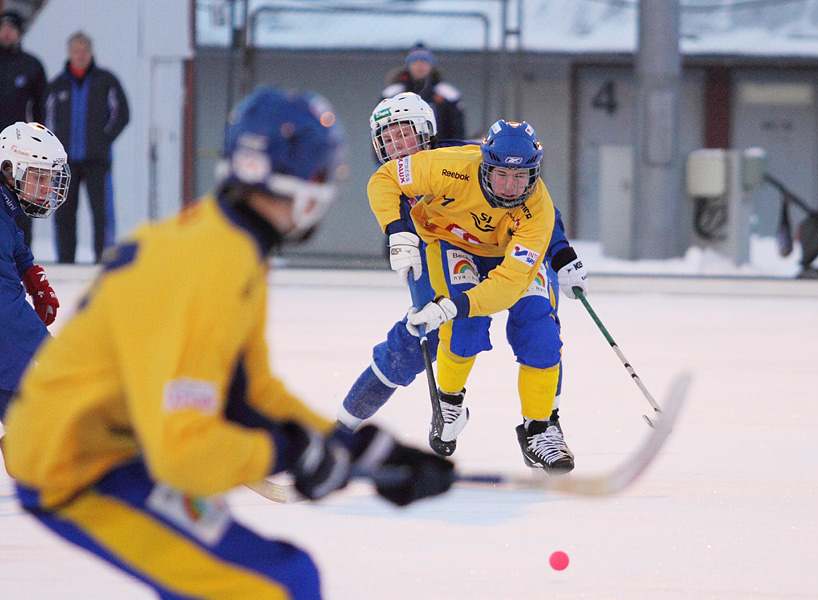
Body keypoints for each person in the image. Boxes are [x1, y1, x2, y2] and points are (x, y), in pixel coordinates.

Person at [1, 87, 454, 600]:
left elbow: (252, 390)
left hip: (118, 441)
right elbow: (184, 452)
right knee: (278, 582)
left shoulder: (227, 239)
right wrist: (286, 451)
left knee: (268, 575)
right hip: (77, 463)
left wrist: (356, 445)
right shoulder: (216, 266)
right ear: (303, 183)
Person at [339, 94, 588, 472]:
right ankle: (349, 425)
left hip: (509, 251)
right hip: (446, 245)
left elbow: (538, 215)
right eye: (388, 141)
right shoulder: (414, 172)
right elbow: (385, 181)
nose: (398, 148)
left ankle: (542, 425)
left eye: (405, 136)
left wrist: (561, 251)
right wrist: (396, 232)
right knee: (427, 335)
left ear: (427, 133)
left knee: (539, 328)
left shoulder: (456, 162)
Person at [0, 121, 69, 418]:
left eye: (51, 179)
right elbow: (5, 308)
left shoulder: (5, 209)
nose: (48, 189)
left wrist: (30, 273)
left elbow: (12, 241)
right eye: (39, 178)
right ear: (9, 169)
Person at [45, 31, 130, 264]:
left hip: (97, 161)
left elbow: (121, 113)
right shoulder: (57, 84)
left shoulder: (106, 81)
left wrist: (103, 139)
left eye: (85, 51)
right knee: (64, 214)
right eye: (76, 51)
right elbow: (46, 120)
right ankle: (65, 262)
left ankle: (103, 261)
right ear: (69, 54)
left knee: (101, 214)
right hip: (65, 164)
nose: (81, 56)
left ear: (91, 53)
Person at [0, 10, 48, 246]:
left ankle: (21, 255)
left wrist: (38, 144)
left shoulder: (31, 66)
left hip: (18, 149)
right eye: (3, 28)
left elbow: (41, 110)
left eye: (11, 29)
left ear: (19, 33)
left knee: (20, 200)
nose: (6, 33)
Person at [382, 42, 466, 140]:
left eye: (424, 62)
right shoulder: (392, 94)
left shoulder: (448, 94)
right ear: (409, 65)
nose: (420, 66)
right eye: (415, 62)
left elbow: (458, 131)